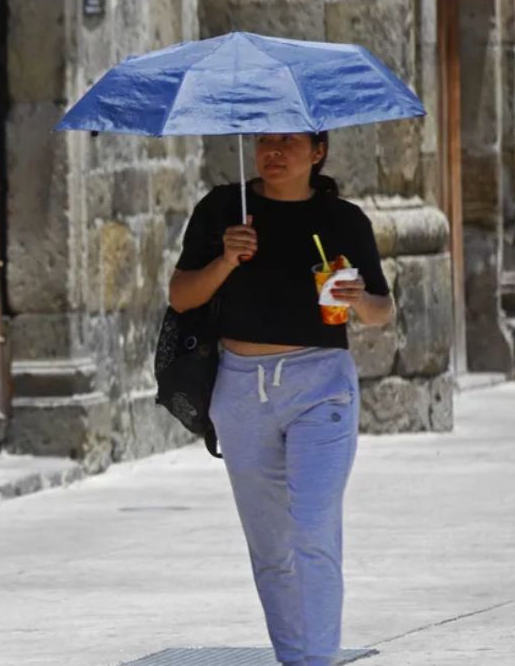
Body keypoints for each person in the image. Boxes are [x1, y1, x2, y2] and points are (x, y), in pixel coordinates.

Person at [169, 131, 394, 666]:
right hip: (241, 385)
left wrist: (357, 295)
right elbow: (180, 296)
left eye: (289, 141)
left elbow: (382, 312)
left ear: (317, 153)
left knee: (314, 527)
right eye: (265, 140)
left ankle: (317, 659)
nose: (273, 151)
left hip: (321, 384)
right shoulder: (225, 208)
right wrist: (225, 260)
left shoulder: (344, 220)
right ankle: (295, 657)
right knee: (270, 543)